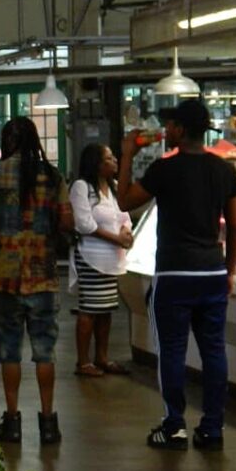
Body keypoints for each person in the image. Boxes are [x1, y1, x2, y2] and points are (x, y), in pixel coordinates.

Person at [118, 98, 236, 451]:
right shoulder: (225, 172)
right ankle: (212, 428)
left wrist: (126, 153)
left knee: (171, 350)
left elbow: (125, 200)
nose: (166, 130)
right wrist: (228, 269)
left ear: (182, 130)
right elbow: (235, 226)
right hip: (211, 272)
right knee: (213, 352)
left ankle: (174, 427)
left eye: (171, 125)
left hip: (174, 274)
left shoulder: (164, 169)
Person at [0, 117, 73, 445]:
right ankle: (48, 423)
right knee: (45, 352)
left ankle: (12, 421)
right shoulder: (53, 176)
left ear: (6, 142)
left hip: (5, 277)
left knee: (9, 351)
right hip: (43, 276)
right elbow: (67, 222)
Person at [69, 144, 133, 378]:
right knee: (89, 309)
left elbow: (124, 215)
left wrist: (126, 232)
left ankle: (102, 357)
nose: (115, 160)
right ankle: (83, 361)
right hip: (91, 257)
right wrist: (116, 239)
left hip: (111, 259)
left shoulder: (115, 188)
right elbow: (84, 224)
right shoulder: (81, 187)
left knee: (106, 310)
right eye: (109, 157)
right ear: (97, 163)